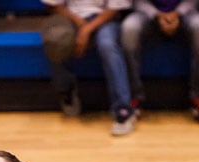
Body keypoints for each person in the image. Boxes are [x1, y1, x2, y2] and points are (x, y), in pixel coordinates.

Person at [40, 0, 137, 136]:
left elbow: (114, 9)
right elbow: (54, 5)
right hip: (69, 17)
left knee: (107, 45)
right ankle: (66, 91)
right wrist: (80, 23)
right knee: (57, 39)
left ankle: (123, 109)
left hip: (104, 18)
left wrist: (86, 29)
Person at [120, 0, 199, 126]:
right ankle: (134, 96)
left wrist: (177, 13)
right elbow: (137, 1)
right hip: (148, 14)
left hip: (185, 13)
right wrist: (157, 15)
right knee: (129, 28)